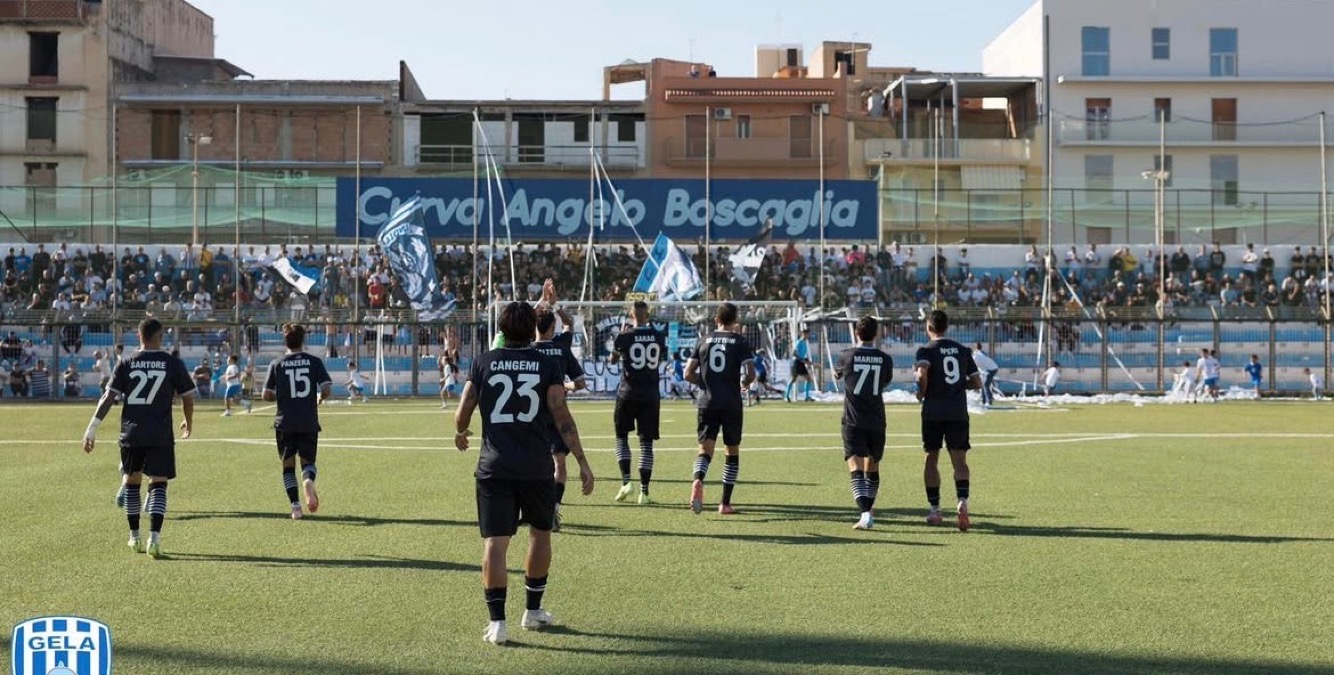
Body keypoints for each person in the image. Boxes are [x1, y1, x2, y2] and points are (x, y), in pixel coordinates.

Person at [454, 301, 595, 645]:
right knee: (540, 535)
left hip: (494, 465)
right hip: (535, 466)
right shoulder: (545, 363)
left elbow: (464, 409)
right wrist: (581, 460)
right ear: (532, 327)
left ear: (502, 330)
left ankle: (497, 623)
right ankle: (532, 611)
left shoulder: (484, 361)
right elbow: (561, 415)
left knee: (495, 543)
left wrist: (460, 432)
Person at [83, 318, 195, 558]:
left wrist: (92, 428)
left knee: (132, 485)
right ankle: (155, 539)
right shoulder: (171, 363)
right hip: (160, 434)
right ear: (160, 336)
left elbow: (108, 398)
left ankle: (134, 537)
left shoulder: (126, 362)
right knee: (158, 485)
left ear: (138, 336)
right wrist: (188, 420)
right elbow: (188, 396)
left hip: (131, 434)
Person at [685, 302, 756, 515]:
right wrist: (743, 384)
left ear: (716, 319)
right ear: (735, 321)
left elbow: (688, 373)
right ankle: (725, 503)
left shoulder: (704, 340)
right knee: (731, 450)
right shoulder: (740, 341)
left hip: (707, 401)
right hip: (731, 402)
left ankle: (698, 480)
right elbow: (751, 374)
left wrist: (705, 383)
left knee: (705, 451)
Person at [914, 309, 981, 531]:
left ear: (929, 327)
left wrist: (922, 392)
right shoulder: (963, 351)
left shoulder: (926, 350)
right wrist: (958, 385)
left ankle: (935, 510)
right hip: (957, 411)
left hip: (933, 411)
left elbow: (922, 374)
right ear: (947, 326)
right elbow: (977, 382)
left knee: (931, 460)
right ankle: (962, 501)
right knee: (959, 462)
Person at [262, 324, 333, 520]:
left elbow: (266, 395)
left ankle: (295, 507)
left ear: (285, 341)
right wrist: (320, 397)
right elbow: (327, 388)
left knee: (287, 466)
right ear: (303, 341)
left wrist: (283, 396)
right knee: (308, 463)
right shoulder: (314, 362)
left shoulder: (277, 364)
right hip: (308, 420)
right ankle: (308, 480)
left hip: (285, 421)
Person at [835, 316, 894, 530]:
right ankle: (869, 510)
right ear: (875, 334)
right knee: (873, 465)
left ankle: (865, 512)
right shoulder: (885, 359)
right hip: (877, 418)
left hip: (853, 419)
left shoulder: (846, 355)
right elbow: (885, 381)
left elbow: (838, 374)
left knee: (855, 465)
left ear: (856, 333)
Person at [532, 305, 588, 529]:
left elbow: (523, 321)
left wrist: (540, 304)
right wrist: (564, 385)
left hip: (530, 416)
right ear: (552, 326)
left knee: (533, 463)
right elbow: (580, 383)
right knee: (559, 463)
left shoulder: (526, 348)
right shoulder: (561, 348)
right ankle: (554, 507)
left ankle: (532, 506)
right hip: (557, 414)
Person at [608, 300, 667, 504]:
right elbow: (659, 359)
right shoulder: (659, 337)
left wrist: (622, 339)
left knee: (621, 438)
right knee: (646, 444)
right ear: (647, 315)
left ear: (632, 315)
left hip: (627, 393)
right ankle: (644, 492)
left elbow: (612, 360)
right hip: (650, 394)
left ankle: (626, 482)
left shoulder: (624, 336)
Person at [786, 328, 814, 402]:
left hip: (801, 363)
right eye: (807, 334)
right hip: (797, 363)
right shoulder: (799, 342)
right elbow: (794, 353)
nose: (808, 335)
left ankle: (807, 397)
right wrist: (802, 360)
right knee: (793, 379)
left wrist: (806, 360)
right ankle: (787, 396)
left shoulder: (805, 342)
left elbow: (801, 354)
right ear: (804, 334)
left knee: (808, 379)